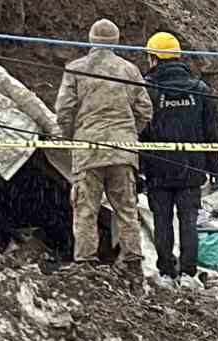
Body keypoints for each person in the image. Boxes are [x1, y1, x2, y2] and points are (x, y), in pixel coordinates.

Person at [55, 18, 153, 269]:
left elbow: (64, 110)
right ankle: (133, 262)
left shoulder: (75, 69)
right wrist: (130, 134)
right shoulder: (129, 70)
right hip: (123, 152)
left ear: (90, 39)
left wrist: (72, 136)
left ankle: (85, 262)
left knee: (86, 210)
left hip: (88, 151)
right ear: (116, 41)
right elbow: (145, 110)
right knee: (127, 210)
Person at [140, 32, 218, 286]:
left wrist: (140, 167)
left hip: (158, 168)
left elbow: (141, 130)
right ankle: (188, 272)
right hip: (191, 167)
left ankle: (166, 270)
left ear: (154, 58)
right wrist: (214, 166)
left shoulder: (148, 89)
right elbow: (212, 131)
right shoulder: (200, 89)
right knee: (189, 221)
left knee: (162, 220)